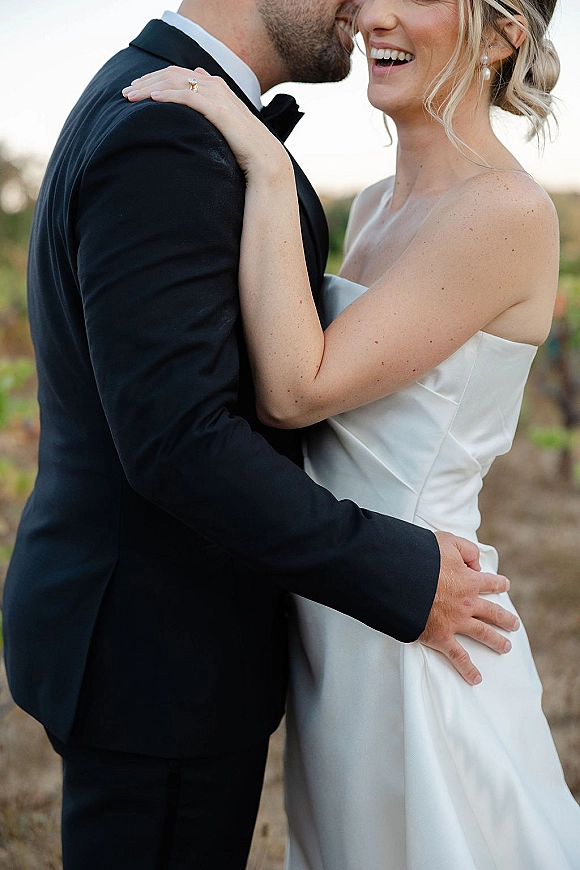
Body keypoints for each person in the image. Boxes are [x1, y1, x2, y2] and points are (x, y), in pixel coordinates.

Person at [1, 1, 521, 868]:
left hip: (185, 636)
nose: (364, 6)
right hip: (161, 653)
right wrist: (401, 573)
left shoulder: (178, 116)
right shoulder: (167, 135)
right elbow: (181, 442)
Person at [124, 0, 580, 866]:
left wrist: (260, 158)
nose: (376, 14)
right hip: (341, 615)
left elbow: (298, 390)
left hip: (420, 629)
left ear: (505, 32)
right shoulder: (372, 205)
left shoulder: (507, 211)